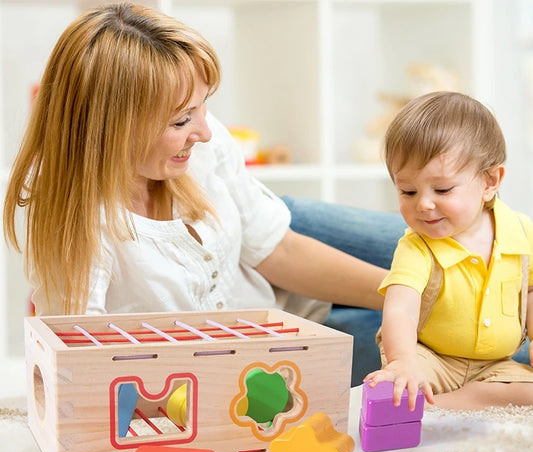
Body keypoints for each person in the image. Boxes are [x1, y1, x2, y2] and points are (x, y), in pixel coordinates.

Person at [2, 2, 405, 386]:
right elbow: (81, 369)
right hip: (253, 344)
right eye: (180, 120)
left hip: (271, 239)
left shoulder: (204, 148)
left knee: (443, 264)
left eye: (202, 107)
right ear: (110, 128)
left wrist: (405, 298)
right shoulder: (73, 220)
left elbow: (276, 251)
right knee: (431, 344)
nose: (206, 133)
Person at [364, 91, 533, 410]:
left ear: (490, 181)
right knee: (396, 391)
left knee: (526, 393)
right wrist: (403, 362)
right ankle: (443, 400)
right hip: (429, 357)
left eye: (442, 189)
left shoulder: (521, 232)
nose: (424, 204)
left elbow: (531, 291)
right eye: (408, 191)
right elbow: (400, 308)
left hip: (496, 366)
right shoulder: (417, 246)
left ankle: (460, 401)